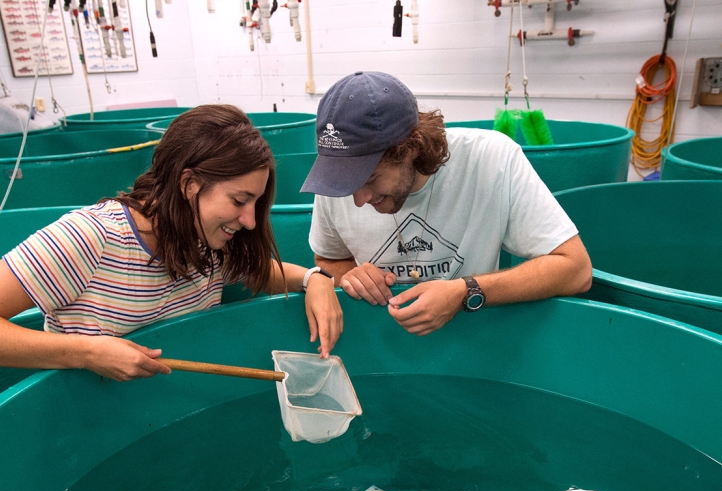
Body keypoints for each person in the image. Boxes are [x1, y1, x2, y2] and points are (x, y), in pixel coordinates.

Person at [0, 104, 342, 381]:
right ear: (189, 184)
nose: (250, 220)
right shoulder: (90, 237)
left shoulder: (206, 241)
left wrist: (313, 279)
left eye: (256, 203)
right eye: (239, 201)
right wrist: (86, 353)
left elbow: (257, 272)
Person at [301, 71, 593, 336]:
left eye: (370, 179)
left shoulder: (491, 160)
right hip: (384, 343)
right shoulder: (336, 187)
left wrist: (465, 291)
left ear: (411, 149)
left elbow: (576, 270)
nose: (358, 199)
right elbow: (329, 259)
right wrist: (348, 275)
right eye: (344, 183)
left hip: (472, 342)